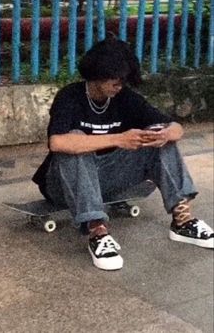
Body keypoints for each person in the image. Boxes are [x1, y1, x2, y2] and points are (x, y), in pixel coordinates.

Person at [33, 38, 214, 271]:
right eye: (115, 80)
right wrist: (119, 138)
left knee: (158, 135)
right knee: (75, 142)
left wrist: (165, 134)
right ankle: (97, 231)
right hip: (63, 184)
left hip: (107, 177)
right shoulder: (70, 96)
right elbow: (57, 142)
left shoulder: (124, 97)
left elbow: (176, 127)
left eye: (124, 80)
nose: (119, 85)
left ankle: (183, 221)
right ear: (97, 72)